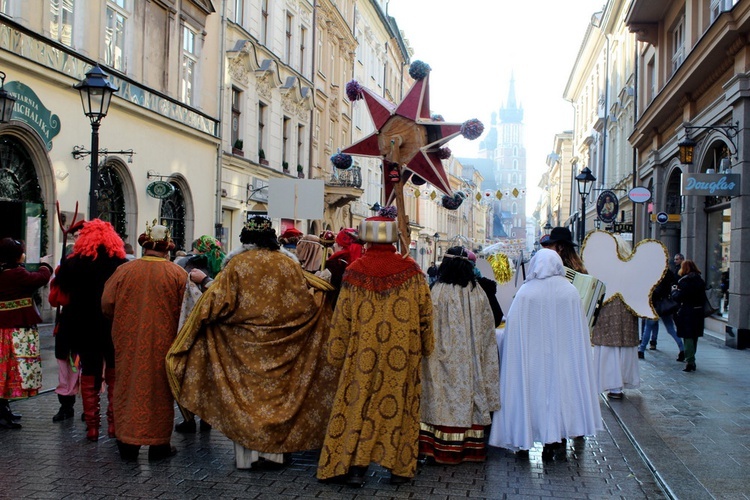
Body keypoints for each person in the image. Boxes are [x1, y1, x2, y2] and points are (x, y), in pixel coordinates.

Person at [166, 216, 340, 470]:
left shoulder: (238, 265)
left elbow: (216, 302)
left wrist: (201, 298)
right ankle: (277, 453)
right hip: (284, 347)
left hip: (243, 346)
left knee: (248, 403)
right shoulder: (288, 265)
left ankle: (248, 457)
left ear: (245, 239)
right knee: (279, 401)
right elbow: (304, 305)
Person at [317, 208, 434, 487]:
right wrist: (426, 346)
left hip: (362, 353)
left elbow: (342, 316)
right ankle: (399, 469)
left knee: (358, 404)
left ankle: (356, 468)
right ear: (393, 240)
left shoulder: (355, 271)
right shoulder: (412, 272)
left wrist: (336, 351)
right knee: (400, 406)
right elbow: (426, 313)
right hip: (402, 353)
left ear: (366, 240)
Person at [488, 249, 601, 461]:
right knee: (561, 396)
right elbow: (579, 331)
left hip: (530, 361)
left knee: (529, 396)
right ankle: (557, 439)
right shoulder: (570, 292)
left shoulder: (526, 292)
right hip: (563, 360)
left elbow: (513, 329)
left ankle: (523, 439)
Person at [101, 221, 187, 460]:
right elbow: (187, 312)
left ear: (144, 246)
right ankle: (159, 445)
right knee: (160, 390)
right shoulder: (177, 274)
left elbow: (107, 304)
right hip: (165, 343)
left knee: (127, 386)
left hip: (129, 342)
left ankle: (127, 443)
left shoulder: (125, 271)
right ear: (167, 249)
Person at [48, 220, 128, 440]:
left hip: (81, 325)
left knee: (90, 371)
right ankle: (113, 425)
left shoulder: (71, 264)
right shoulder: (120, 264)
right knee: (112, 372)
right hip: (111, 324)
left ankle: (92, 427)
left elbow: (58, 297)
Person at [420, 246, 499, 465]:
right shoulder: (478, 293)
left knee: (440, 397)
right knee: (468, 395)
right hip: (469, 361)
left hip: (438, 359)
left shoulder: (436, 291)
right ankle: (469, 447)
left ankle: (435, 446)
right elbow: (487, 329)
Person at [0, 238, 52, 429]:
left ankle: (4, 409)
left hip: (4, 328)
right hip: (15, 329)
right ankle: (2, 413)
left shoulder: (6, 272)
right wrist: (45, 264)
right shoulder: (17, 274)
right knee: (12, 369)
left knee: (4, 372)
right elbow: (40, 278)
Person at [589, 236, 640, 400]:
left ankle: (611, 384)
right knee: (623, 347)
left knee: (608, 349)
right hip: (626, 311)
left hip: (607, 311)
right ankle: (620, 384)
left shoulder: (601, 267)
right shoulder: (631, 269)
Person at [639, 268, 684, 361]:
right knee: (670, 328)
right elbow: (674, 284)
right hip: (665, 305)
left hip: (655, 304)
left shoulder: (654, 273)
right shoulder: (669, 273)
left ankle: (641, 350)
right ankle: (682, 348)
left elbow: (653, 290)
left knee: (648, 327)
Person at [671, 260, 706, 372]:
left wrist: (674, 292)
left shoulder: (684, 281)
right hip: (699, 311)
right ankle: (691, 359)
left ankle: (690, 361)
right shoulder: (700, 280)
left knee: (688, 336)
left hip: (687, 311)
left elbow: (679, 297)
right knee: (694, 336)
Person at [325, 227, 363, 298]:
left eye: (336, 243)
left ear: (341, 245)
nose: (334, 245)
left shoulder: (335, 263)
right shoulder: (363, 259)